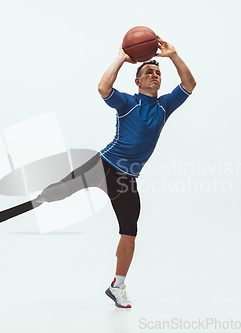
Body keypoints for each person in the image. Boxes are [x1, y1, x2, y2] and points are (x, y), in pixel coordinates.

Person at [34, 36, 196, 308]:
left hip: (127, 179)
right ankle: (40, 198)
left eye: (158, 72)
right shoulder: (126, 102)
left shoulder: (164, 106)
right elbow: (103, 87)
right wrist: (122, 57)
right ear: (138, 81)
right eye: (149, 71)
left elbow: (189, 85)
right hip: (104, 165)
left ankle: (117, 286)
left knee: (130, 233)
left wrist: (174, 55)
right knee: (59, 191)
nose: (155, 74)